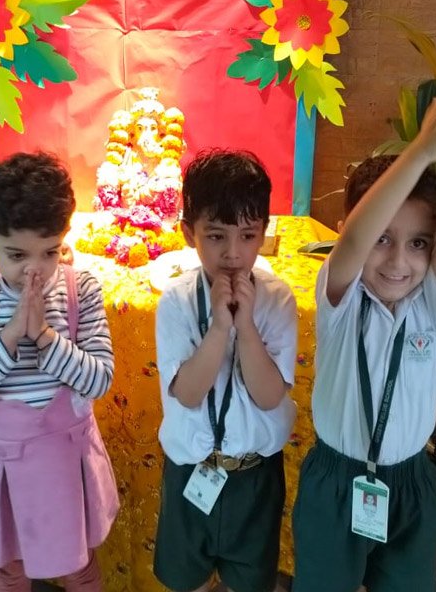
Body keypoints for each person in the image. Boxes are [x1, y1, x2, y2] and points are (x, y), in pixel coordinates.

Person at [292, 79, 436, 592]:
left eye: (418, 243)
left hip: (411, 481)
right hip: (336, 480)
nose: (399, 261)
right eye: (382, 239)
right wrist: (420, 152)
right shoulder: (342, 298)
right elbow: (353, 239)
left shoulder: (431, 308)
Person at [0, 152, 119, 592]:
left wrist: (42, 335)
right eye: (17, 255)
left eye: (50, 252)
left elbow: (99, 379)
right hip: (2, 464)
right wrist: (9, 336)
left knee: (78, 567)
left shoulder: (81, 289)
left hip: (65, 460)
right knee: (9, 569)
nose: (35, 270)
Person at [153, 149, 298, 592]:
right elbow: (189, 393)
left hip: (255, 475)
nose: (233, 254)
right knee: (187, 581)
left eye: (247, 235)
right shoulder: (176, 301)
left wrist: (246, 327)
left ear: (263, 234)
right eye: (215, 236)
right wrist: (219, 327)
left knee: (249, 582)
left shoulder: (277, 300)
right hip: (190, 471)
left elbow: (270, 396)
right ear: (189, 233)